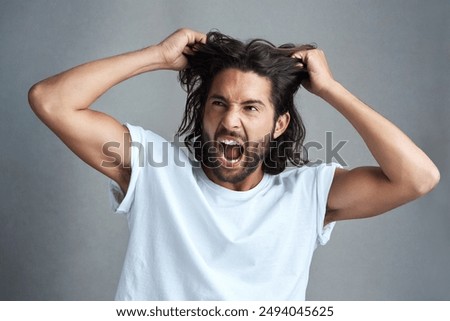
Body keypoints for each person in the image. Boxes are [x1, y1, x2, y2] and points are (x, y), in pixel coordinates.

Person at [28, 28, 440, 300]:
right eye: (219, 103)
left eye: (250, 107)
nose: (230, 120)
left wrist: (330, 89)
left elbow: (418, 178)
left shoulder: (307, 194)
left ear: (279, 123)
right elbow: (50, 101)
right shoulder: (154, 172)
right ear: (203, 111)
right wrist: (155, 56)